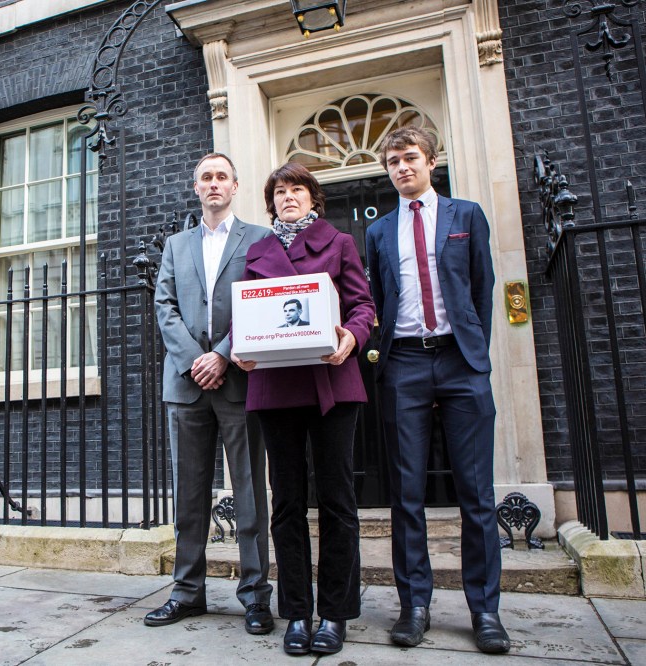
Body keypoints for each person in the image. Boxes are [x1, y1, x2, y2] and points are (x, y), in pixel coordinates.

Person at [364, 126, 510, 654]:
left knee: (477, 495)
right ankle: (415, 606)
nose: (402, 168)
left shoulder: (465, 215)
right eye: (393, 161)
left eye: (410, 158)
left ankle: (485, 611)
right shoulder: (378, 232)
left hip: (460, 361)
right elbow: (377, 298)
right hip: (404, 362)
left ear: (431, 162)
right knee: (407, 496)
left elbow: (483, 288)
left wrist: (474, 351)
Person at [232, 162, 375, 656]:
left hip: (332, 382)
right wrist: (240, 348)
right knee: (287, 503)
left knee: (338, 501)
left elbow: (363, 306)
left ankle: (334, 613)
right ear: (270, 202)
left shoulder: (340, 244)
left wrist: (352, 336)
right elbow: (246, 316)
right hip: (276, 386)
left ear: (314, 198)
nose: (287, 197)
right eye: (279, 192)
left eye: (297, 190)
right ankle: (296, 613)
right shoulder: (257, 253)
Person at [150, 152, 275, 635]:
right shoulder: (176, 244)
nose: (214, 183)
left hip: (240, 380)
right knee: (189, 496)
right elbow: (164, 304)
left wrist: (222, 354)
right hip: (185, 385)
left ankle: (255, 596)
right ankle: (187, 593)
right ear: (196, 187)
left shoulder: (259, 239)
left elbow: (264, 299)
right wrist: (193, 360)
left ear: (235, 186)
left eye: (222, 176)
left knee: (248, 493)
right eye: (206, 177)